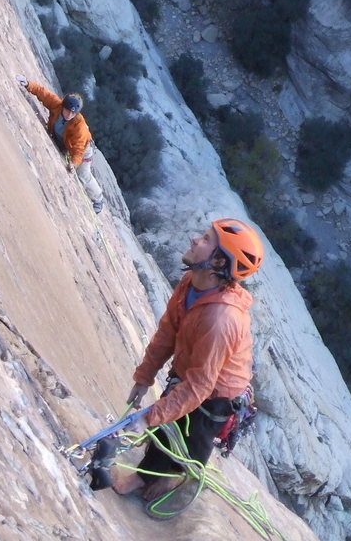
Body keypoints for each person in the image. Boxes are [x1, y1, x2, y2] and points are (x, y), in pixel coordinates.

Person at [112, 218, 264, 501]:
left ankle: (172, 477)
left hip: (218, 391)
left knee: (192, 439)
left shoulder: (221, 319)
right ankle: (150, 474)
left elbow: (199, 388)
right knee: (168, 425)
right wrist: (144, 377)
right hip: (192, 370)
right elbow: (167, 331)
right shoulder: (190, 283)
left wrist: (148, 416)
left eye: (206, 240)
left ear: (219, 263)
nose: (195, 239)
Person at [16, 75, 105, 214]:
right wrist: (28, 84)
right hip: (66, 143)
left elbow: (79, 149)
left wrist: (74, 164)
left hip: (83, 149)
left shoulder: (79, 127)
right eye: (68, 110)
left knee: (83, 175)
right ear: (63, 106)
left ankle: (98, 199)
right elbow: (43, 94)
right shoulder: (57, 106)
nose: (69, 114)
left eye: (73, 112)